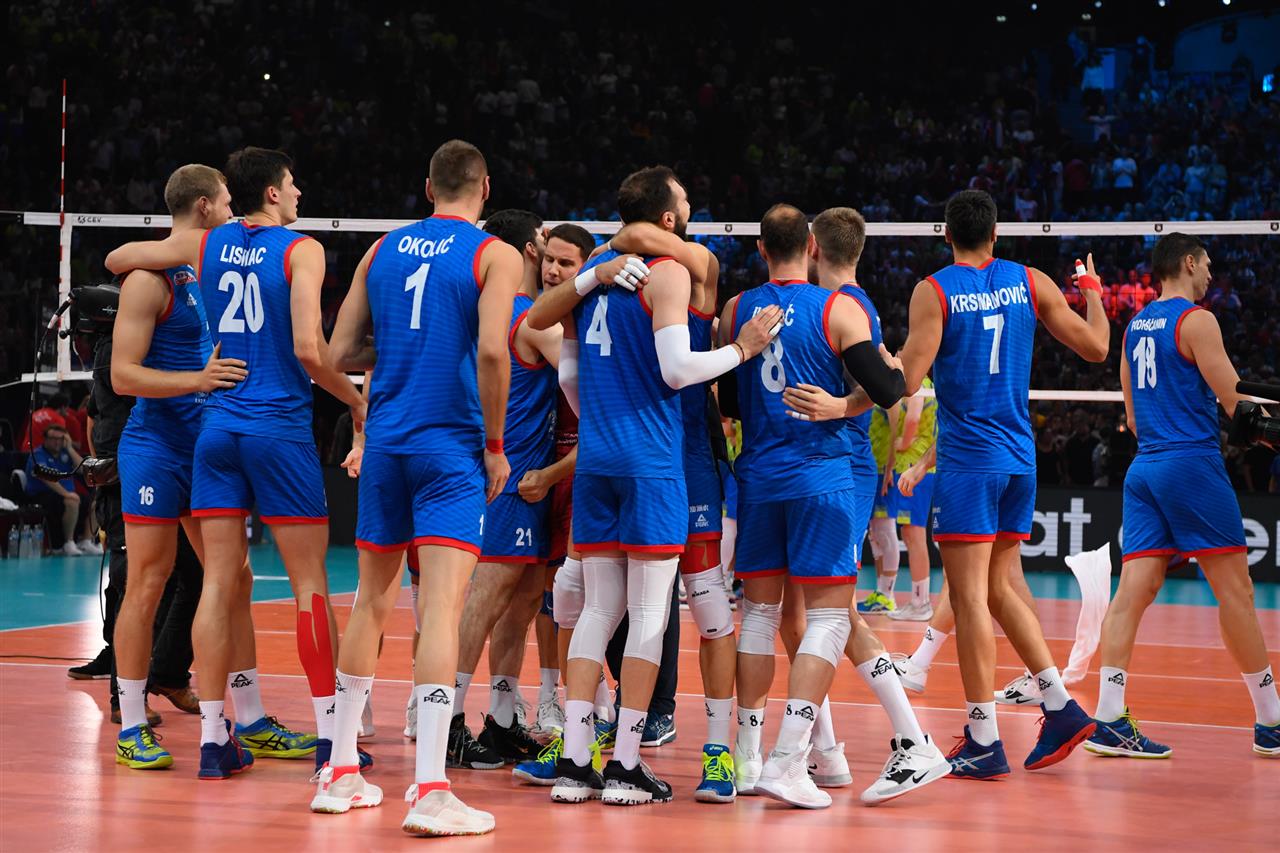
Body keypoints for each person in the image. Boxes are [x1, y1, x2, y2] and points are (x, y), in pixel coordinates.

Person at [108, 148, 365, 777]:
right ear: (271, 193)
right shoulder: (296, 249)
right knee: (303, 583)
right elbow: (309, 348)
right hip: (252, 431)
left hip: (214, 432)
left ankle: (221, 734)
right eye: (293, 182)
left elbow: (121, 255)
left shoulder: (209, 248)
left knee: (225, 581)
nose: (299, 192)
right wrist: (358, 402)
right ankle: (332, 740)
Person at [533, 166, 777, 806]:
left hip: (617, 456)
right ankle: (626, 760)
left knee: (638, 607)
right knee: (665, 611)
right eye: (686, 200)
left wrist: (609, 254)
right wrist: (744, 349)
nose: (694, 206)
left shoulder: (637, 267)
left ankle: (693, 751)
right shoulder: (667, 272)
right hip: (662, 458)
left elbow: (564, 364)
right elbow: (674, 367)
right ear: (670, 215)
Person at [315, 139, 522, 836]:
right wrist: (495, 445)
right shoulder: (494, 254)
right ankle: (432, 786)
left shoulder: (381, 249)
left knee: (368, 601)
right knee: (440, 608)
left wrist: (404, 348)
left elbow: (338, 352)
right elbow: (492, 349)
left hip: (387, 445)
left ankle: (341, 770)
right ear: (484, 188)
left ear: (428, 187)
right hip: (449, 448)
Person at [893, 189, 1109, 778]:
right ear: (996, 234)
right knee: (997, 590)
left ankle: (984, 740)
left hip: (968, 465)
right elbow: (1096, 347)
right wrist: (1092, 290)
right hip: (1019, 460)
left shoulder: (934, 291)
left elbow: (908, 380)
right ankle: (1060, 706)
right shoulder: (1030, 280)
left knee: (969, 601)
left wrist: (862, 363)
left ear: (946, 235)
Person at [719, 203, 915, 809]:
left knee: (760, 616)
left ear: (759, 248)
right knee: (830, 617)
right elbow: (890, 390)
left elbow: (729, 399)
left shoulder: (736, 309)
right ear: (809, 247)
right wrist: (878, 379)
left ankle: (748, 758)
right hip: (822, 477)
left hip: (758, 478)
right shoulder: (837, 308)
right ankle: (790, 759)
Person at [763, 205, 950, 805]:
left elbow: (896, 387)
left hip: (839, 469)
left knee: (833, 613)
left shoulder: (846, 306)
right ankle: (830, 751)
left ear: (813, 247)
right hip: (814, 470)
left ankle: (910, 741)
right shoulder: (834, 303)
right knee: (810, 616)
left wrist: (841, 408)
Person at [1087, 232, 1280, 758]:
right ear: (1188, 263)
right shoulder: (1197, 321)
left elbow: (1132, 418)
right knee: (1236, 593)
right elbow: (1238, 407)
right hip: (1191, 464)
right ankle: (1270, 722)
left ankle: (1109, 718)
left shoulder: (1134, 329)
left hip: (1145, 468)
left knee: (1133, 593)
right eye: (1207, 264)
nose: (1212, 274)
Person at [105, 164, 250, 770]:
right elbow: (122, 376)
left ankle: (249, 717)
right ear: (204, 206)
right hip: (157, 448)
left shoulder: (205, 265)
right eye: (227, 202)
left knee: (233, 577)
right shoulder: (148, 279)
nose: (234, 211)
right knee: (149, 580)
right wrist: (199, 380)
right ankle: (131, 723)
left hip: (204, 444)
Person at [452, 209, 561, 767]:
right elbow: (592, 371)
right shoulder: (528, 317)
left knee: (521, 605)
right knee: (486, 601)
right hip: (511, 482)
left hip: (524, 479)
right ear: (529, 249)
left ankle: (500, 720)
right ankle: (446, 720)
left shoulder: (484, 312)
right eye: (546, 243)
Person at [24, 424, 84, 555]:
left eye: (61, 439)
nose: (57, 442)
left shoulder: (66, 453)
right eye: (53, 438)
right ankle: (69, 543)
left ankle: (86, 541)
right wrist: (67, 494)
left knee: (97, 500)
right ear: (45, 439)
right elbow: (47, 478)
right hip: (42, 494)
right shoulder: (38, 454)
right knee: (72, 501)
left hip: (65, 494)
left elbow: (83, 469)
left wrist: (70, 448)